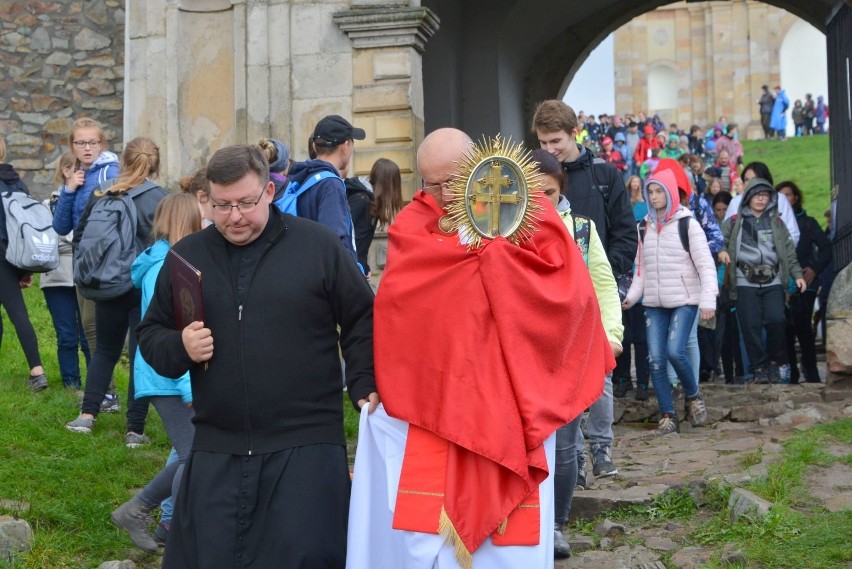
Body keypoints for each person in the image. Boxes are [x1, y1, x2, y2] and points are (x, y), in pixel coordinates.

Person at [347, 129, 613, 568]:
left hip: (515, 403)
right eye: (433, 184)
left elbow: (570, 298)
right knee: (427, 524)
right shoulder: (414, 226)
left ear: (482, 169)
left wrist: (499, 261)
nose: (446, 193)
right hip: (439, 399)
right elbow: (398, 310)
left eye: (454, 180)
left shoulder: (533, 215)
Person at [137, 144, 376, 568]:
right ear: (206, 199)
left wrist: (364, 382)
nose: (234, 217)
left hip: (304, 446)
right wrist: (181, 347)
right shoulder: (187, 256)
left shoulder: (317, 246)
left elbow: (363, 317)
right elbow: (151, 335)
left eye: (246, 203)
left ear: (268, 191)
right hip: (218, 446)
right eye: (222, 205)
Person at [533, 100, 637, 488]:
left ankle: (601, 449)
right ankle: (572, 458)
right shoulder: (536, 176)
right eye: (543, 141)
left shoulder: (603, 176)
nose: (550, 149)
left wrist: (606, 271)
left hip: (594, 290)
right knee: (564, 384)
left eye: (556, 140)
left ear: (573, 133)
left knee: (601, 380)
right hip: (556, 303)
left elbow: (625, 232)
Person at [533, 149, 623, 559]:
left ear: (561, 190)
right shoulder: (504, 231)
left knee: (566, 443)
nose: (540, 202)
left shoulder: (582, 231)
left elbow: (604, 286)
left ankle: (555, 523)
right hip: (527, 354)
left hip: (571, 351)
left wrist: (612, 335)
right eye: (532, 193)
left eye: (548, 193)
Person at [111, 193, 202, 553]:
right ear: (187, 222)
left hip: (171, 374)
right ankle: (155, 517)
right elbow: (167, 331)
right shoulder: (166, 267)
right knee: (195, 454)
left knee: (187, 450)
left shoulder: (168, 260)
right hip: (168, 375)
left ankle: (161, 520)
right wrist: (186, 385)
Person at [65, 137, 168, 445]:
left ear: (123, 160)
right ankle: (135, 431)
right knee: (140, 357)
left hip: (108, 283)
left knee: (106, 350)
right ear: (156, 165)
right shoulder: (161, 199)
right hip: (145, 286)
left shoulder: (103, 191)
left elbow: (80, 236)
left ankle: (86, 416)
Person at [623, 169, 717, 435]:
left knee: (676, 351)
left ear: (670, 193)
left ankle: (694, 394)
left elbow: (706, 266)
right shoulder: (643, 226)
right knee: (655, 359)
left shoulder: (689, 224)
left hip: (685, 300)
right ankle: (668, 415)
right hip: (653, 302)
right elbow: (640, 270)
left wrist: (708, 300)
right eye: (650, 191)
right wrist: (630, 298)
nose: (653, 197)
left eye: (658, 191)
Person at [53, 117, 121, 410]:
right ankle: (107, 392)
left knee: (95, 327)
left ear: (102, 144)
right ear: (72, 145)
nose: (87, 148)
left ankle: (109, 393)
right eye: (80, 143)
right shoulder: (78, 175)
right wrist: (69, 189)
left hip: (107, 261)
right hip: (84, 261)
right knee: (90, 326)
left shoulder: (111, 172)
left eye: (92, 142)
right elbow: (60, 226)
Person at [718, 178, 806, 384]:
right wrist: (722, 252)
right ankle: (758, 366)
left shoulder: (777, 222)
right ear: (747, 197)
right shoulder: (733, 221)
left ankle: (776, 363)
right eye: (756, 195)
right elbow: (717, 241)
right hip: (743, 279)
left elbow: (789, 252)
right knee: (750, 325)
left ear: (771, 198)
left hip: (773, 279)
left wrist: (798, 275)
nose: (760, 199)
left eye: (765, 195)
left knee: (777, 319)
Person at [0, 136, 49, 392]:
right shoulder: (16, 181)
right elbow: (26, 225)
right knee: (18, 313)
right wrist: (25, 268)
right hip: (14, 255)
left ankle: (37, 371)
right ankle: (37, 371)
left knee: (17, 314)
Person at [285, 115, 364, 264]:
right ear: (345, 146)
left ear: (315, 147)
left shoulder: (302, 176)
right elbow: (334, 242)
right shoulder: (331, 185)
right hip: (328, 279)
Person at [41, 151, 90, 391]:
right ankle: (72, 387)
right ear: (65, 171)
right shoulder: (47, 204)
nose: (81, 174)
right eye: (76, 169)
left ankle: (98, 388)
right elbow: (50, 239)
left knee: (89, 335)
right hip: (57, 276)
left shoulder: (92, 201)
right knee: (67, 335)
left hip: (85, 275)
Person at [777, 180, 831, 383]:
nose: (785, 199)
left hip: (805, 282)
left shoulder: (808, 222)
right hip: (782, 281)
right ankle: (791, 372)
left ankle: (811, 371)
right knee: (785, 327)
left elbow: (826, 248)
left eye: (788, 195)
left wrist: (814, 269)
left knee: (802, 325)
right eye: (781, 195)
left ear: (796, 197)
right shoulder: (773, 223)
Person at [346, 158, 403, 278]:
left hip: (356, 268)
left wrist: (365, 267)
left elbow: (360, 241)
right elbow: (345, 235)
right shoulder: (361, 200)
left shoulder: (371, 201)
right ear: (389, 184)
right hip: (350, 270)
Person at [727, 162, 800, 245]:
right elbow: (727, 233)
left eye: (754, 178)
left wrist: (780, 252)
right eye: (746, 179)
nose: (750, 183)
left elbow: (793, 233)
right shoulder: (736, 202)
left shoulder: (780, 199)